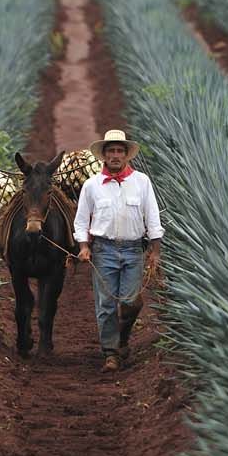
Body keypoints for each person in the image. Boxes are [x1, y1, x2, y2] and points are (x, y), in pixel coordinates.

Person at [73, 129, 163, 372]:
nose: (115, 155)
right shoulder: (92, 186)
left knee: (132, 302)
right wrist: (83, 246)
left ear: (126, 155)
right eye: (111, 151)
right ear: (104, 155)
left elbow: (152, 217)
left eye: (119, 151)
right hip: (103, 250)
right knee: (106, 304)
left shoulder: (141, 181)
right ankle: (110, 353)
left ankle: (122, 337)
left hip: (134, 249)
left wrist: (155, 251)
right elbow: (81, 220)